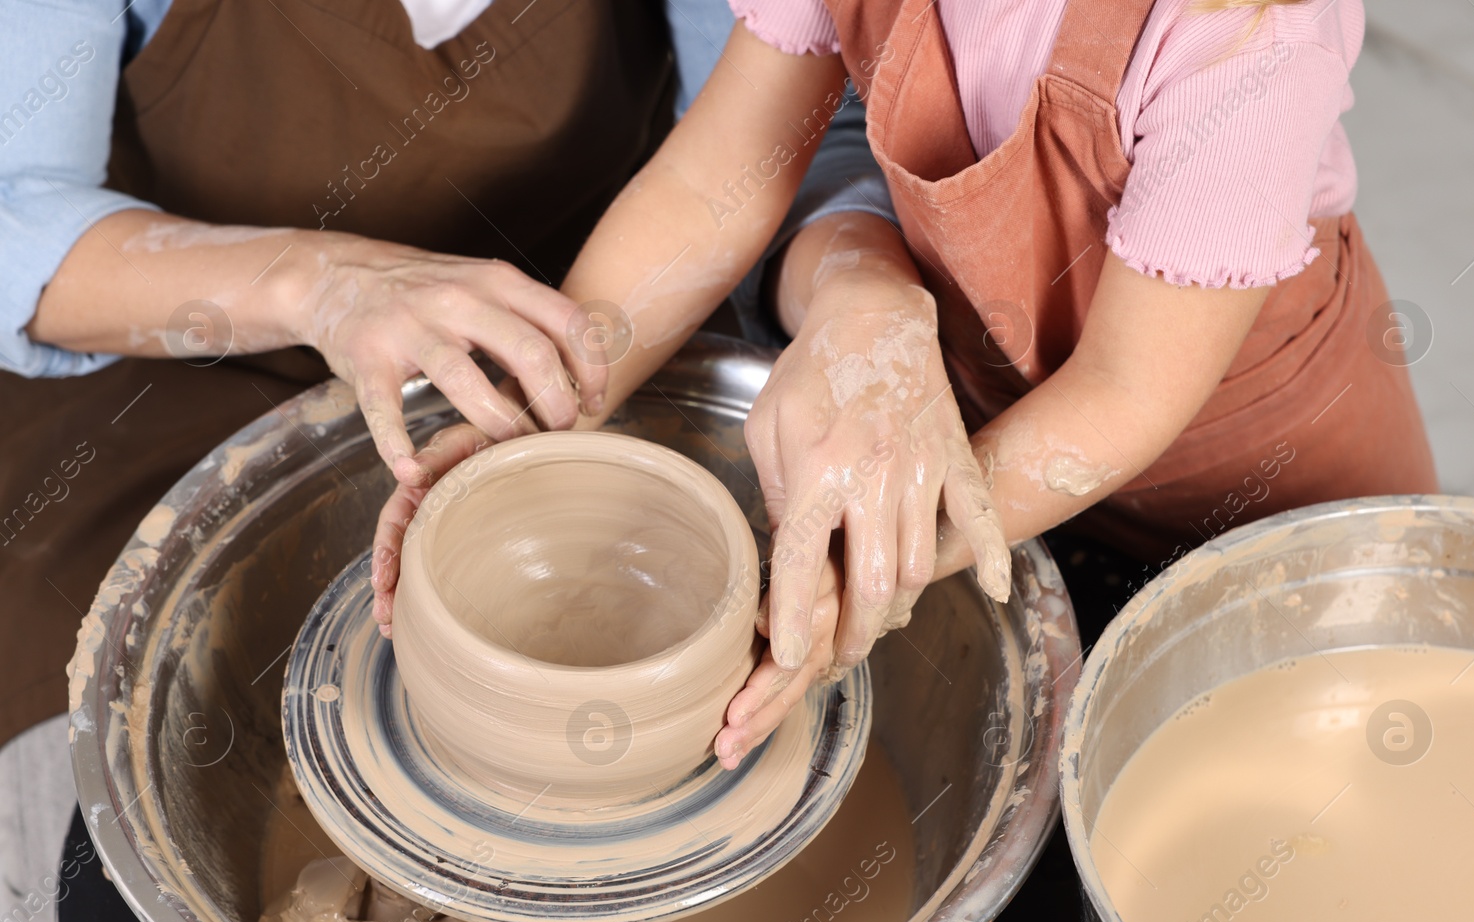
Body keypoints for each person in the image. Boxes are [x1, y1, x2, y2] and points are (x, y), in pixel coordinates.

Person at [372, 0, 1437, 767]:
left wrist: (853, 567)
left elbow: (1124, 397)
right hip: (993, 411)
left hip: (1252, 456)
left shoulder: (1246, 36)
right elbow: (714, 185)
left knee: (1290, 757)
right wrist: (547, 406)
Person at [0, 0, 891, 750]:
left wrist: (855, 286)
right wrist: (320, 284)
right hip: (179, 371)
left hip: (578, 344)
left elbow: (776, 139)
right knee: (101, 742)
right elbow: (14, 212)